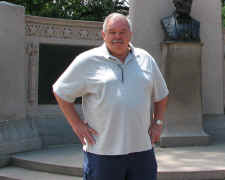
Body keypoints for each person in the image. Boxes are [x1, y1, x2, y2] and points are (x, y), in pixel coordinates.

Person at [53, 13, 169, 180]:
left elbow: (162, 94)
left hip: (142, 152)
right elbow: (61, 92)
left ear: (130, 34)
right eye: (112, 32)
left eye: (122, 32)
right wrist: (76, 124)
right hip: (102, 154)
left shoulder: (145, 59)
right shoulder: (87, 60)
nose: (117, 36)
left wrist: (158, 123)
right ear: (103, 35)